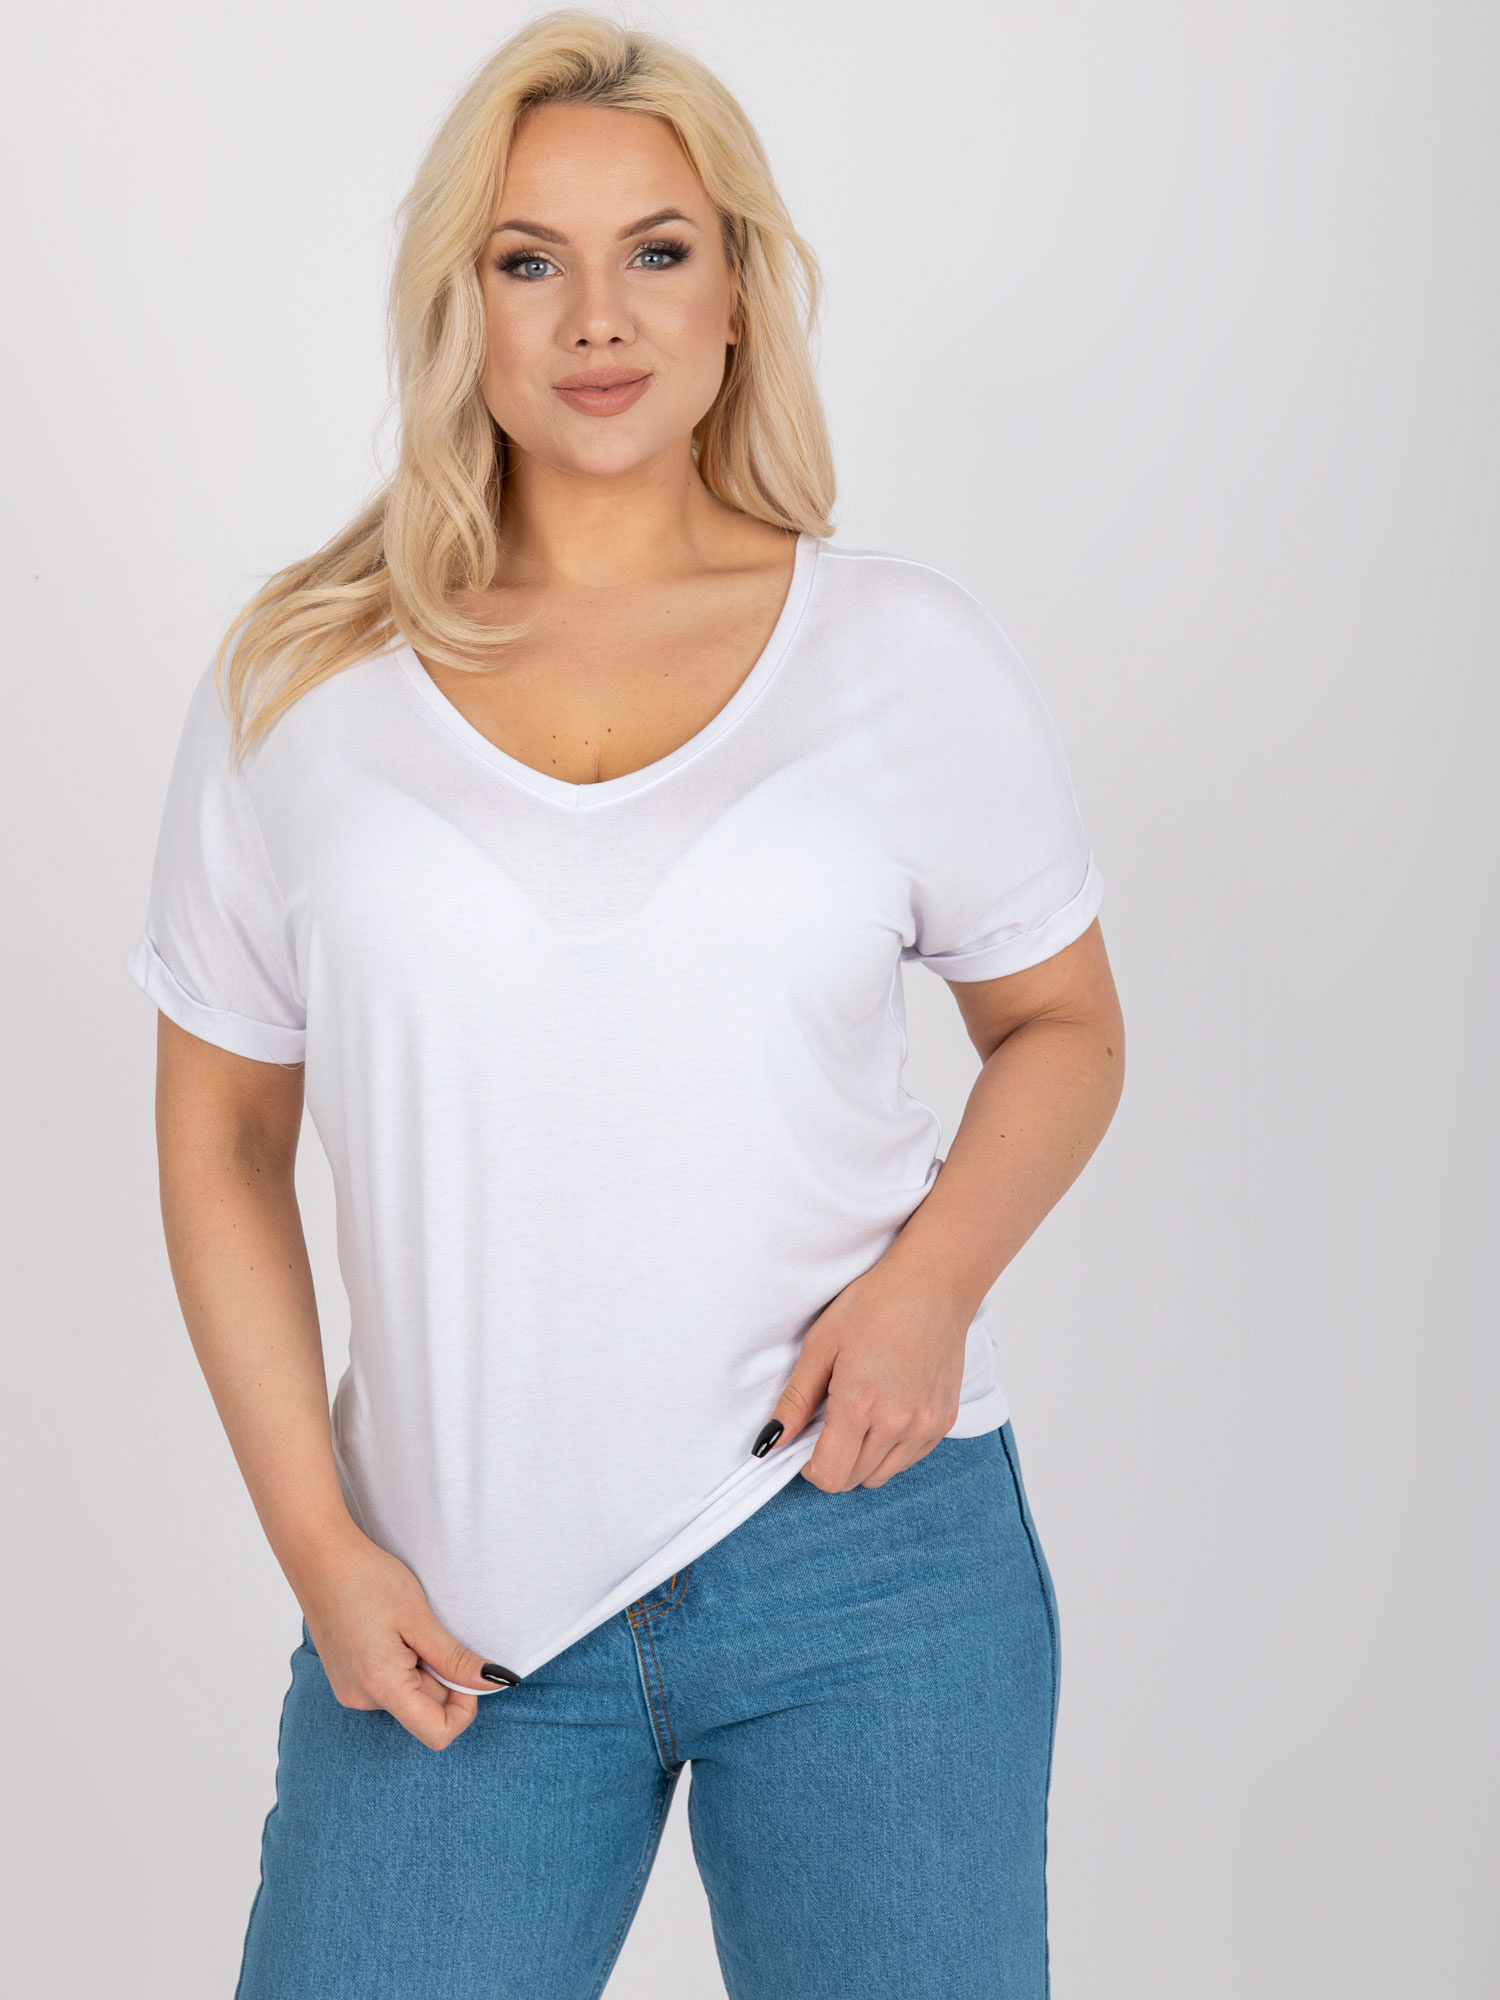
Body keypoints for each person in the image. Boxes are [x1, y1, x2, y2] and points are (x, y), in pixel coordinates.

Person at [127, 10, 1125, 1996]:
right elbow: (222, 1135)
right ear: (462, 305)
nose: (599, 316)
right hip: (447, 1599)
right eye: (531, 260)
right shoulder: (301, 681)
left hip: (862, 1554)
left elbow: (1065, 1027)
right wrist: (319, 1548)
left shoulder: (902, 653)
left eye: (657, 250)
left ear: (737, 291)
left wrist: (931, 1287)